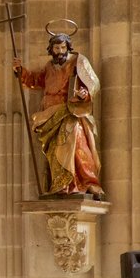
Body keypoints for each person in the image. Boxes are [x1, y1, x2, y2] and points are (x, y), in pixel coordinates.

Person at [13, 33, 102, 199]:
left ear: (68, 48)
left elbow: (92, 83)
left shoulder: (77, 62)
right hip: (49, 114)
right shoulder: (48, 67)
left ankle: (87, 182)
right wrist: (21, 71)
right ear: (51, 49)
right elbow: (36, 80)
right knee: (54, 149)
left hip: (69, 110)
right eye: (56, 48)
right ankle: (61, 184)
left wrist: (84, 93)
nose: (60, 51)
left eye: (63, 48)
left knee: (76, 140)